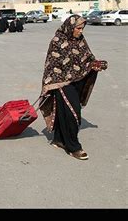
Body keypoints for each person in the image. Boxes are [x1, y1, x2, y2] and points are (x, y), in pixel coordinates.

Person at [39, 15, 107, 160]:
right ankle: (74, 147)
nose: (80, 31)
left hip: (76, 81)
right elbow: (53, 64)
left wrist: (96, 64)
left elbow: (88, 58)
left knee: (64, 111)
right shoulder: (58, 41)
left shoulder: (80, 40)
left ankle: (59, 139)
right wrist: (58, 81)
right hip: (60, 82)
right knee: (73, 112)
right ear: (70, 27)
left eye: (82, 28)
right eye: (78, 28)